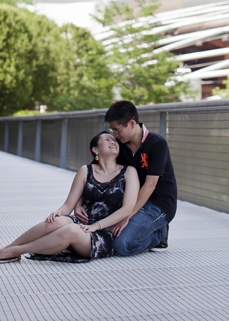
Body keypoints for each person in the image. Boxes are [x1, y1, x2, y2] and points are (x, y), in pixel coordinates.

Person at [0, 132, 139, 264]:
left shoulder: (128, 172)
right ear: (95, 150)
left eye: (114, 140)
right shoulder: (86, 171)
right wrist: (58, 212)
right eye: (107, 139)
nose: (113, 141)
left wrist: (96, 226)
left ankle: (15, 251)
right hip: (82, 223)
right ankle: (7, 248)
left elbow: (127, 209)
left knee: (71, 230)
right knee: (57, 221)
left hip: (103, 232)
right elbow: (68, 205)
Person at [76, 101, 177, 256]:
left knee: (122, 245)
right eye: (112, 130)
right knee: (109, 234)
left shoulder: (157, 144)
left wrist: (127, 216)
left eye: (117, 130)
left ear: (130, 123)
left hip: (158, 204)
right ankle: (146, 226)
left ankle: (159, 234)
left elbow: (150, 185)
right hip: (129, 201)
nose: (114, 135)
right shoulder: (119, 146)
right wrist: (78, 203)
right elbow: (92, 173)